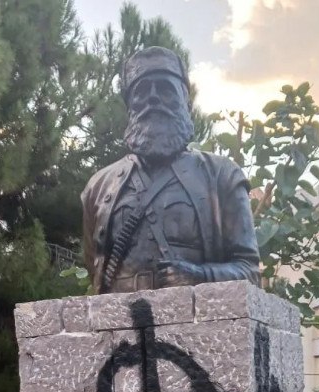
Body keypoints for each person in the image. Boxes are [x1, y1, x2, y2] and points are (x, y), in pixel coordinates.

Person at [81, 46, 260, 293]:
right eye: (142, 91)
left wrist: (200, 276)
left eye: (165, 89)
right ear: (129, 106)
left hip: (198, 313)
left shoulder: (222, 176)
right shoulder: (99, 187)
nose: (153, 99)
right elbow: (95, 268)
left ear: (186, 102)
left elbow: (249, 271)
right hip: (119, 315)